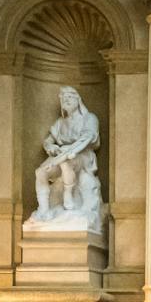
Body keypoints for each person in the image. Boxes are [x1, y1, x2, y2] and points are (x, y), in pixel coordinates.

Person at [29, 85, 102, 231]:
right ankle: (43, 209)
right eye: (63, 98)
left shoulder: (89, 118)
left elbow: (88, 137)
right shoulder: (60, 123)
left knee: (66, 162)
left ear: (78, 100)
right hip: (61, 154)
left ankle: (68, 194)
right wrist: (50, 147)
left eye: (69, 97)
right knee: (40, 172)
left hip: (82, 156)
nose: (66, 100)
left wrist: (68, 153)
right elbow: (48, 140)